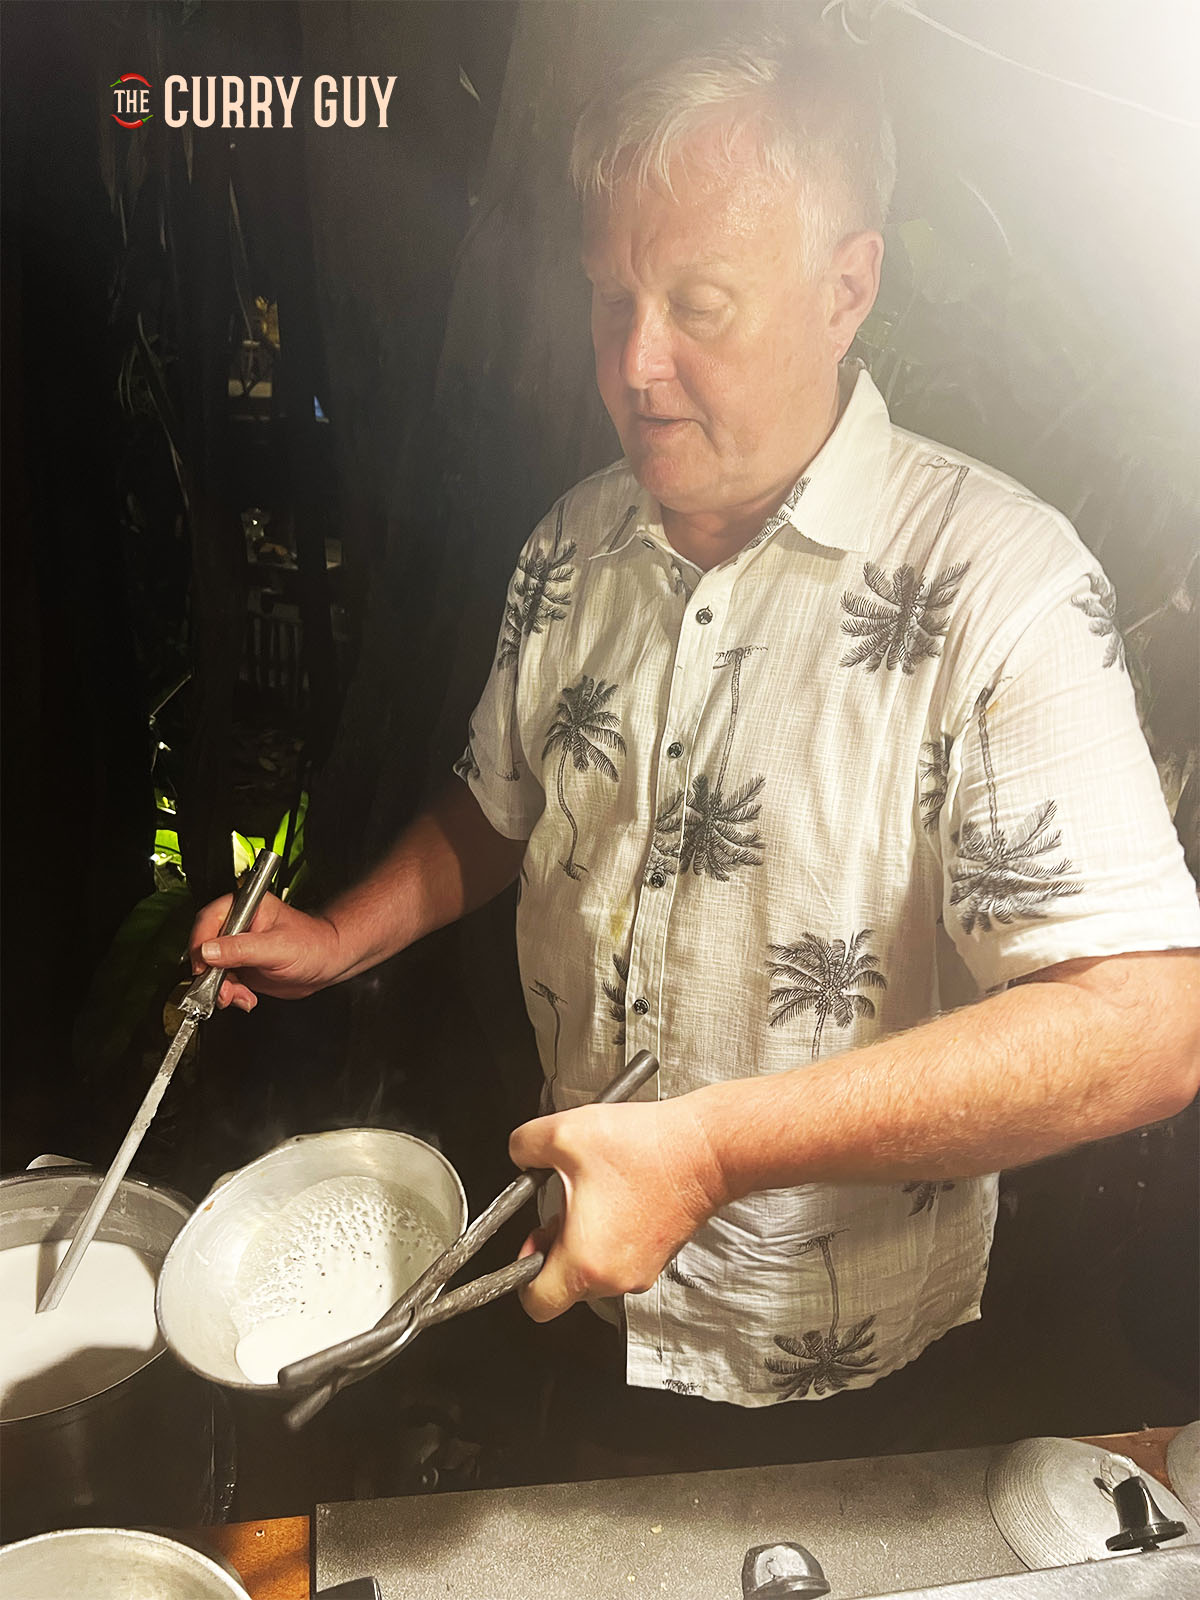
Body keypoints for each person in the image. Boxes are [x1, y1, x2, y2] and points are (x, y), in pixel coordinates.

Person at [192, 26, 1199, 1442]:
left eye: (700, 302)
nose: (637, 366)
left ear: (847, 285)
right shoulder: (573, 542)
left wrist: (713, 1149)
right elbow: (506, 803)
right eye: (614, 302)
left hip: (837, 1349)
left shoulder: (1000, 585)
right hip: (576, 1268)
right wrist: (339, 937)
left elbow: (1147, 1025)